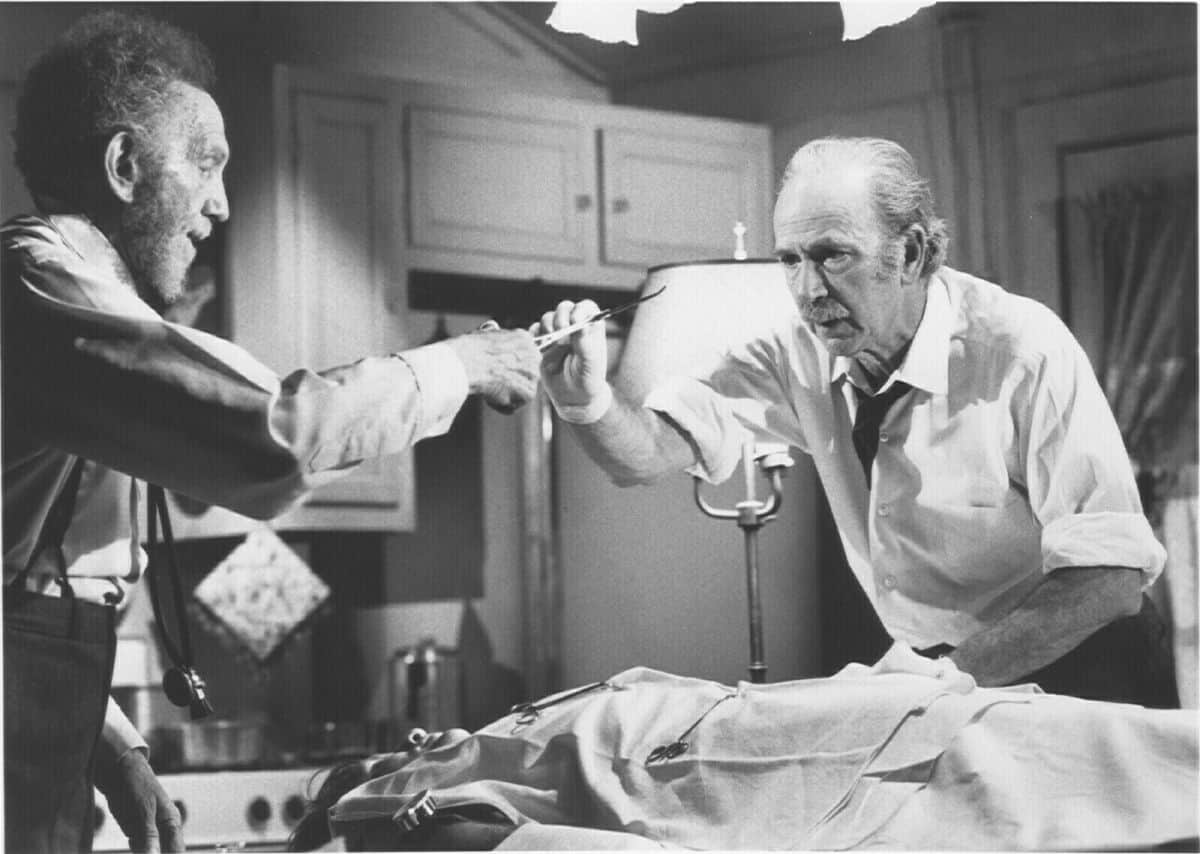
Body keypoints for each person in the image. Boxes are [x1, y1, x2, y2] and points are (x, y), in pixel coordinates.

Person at [2, 11, 539, 854]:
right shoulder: (39, 284)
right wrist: (460, 364)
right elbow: (273, 435)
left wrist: (114, 748)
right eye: (206, 163)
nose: (221, 205)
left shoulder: (62, 294)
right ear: (124, 165)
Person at [536, 137, 1176, 708]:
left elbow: (1110, 577)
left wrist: (940, 684)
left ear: (913, 253)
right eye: (790, 260)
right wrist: (585, 401)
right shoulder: (795, 352)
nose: (809, 290)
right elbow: (646, 454)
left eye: (832, 256)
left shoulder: (1019, 348)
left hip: (1085, 663)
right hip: (948, 677)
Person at [286, 651, 1198, 851]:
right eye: (388, 761)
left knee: (1120, 745)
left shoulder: (518, 726)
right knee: (1100, 786)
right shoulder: (405, 815)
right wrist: (363, 804)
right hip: (842, 788)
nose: (416, 740)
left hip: (867, 719)